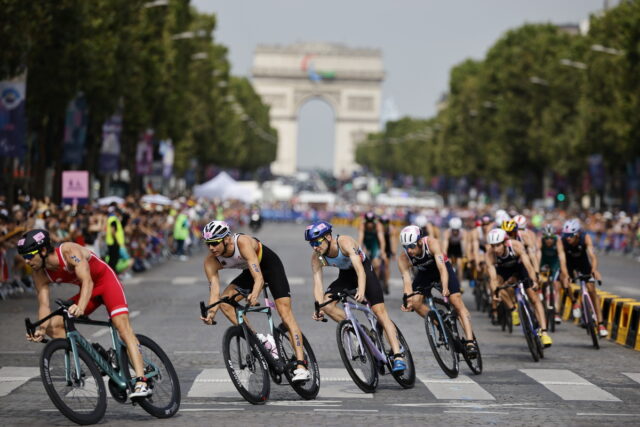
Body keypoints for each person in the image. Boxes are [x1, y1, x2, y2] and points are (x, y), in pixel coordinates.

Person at [19, 229, 151, 397]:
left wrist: (80, 305)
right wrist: (41, 330)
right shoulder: (39, 274)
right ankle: (95, 355)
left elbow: (87, 280)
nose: (26, 261)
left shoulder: (68, 251)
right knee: (53, 324)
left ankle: (142, 381)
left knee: (123, 329)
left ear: (43, 250)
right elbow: (44, 305)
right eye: (23, 256)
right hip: (88, 292)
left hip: (106, 283)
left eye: (29, 255)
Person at [199, 220, 311, 382]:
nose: (211, 248)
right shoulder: (210, 261)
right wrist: (211, 313)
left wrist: (254, 294)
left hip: (268, 267)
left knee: (285, 313)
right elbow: (214, 291)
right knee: (224, 302)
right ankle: (257, 340)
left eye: (215, 243)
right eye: (208, 244)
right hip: (249, 273)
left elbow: (258, 277)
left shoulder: (242, 243)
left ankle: (301, 366)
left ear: (226, 239)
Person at [306, 221, 406, 372]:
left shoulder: (344, 242)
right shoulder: (317, 257)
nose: (315, 247)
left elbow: (360, 271)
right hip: (346, 276)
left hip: (364, 271)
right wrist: (319, 306)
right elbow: (318, 284)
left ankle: (398, 356)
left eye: (317, 242)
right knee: (327, 305)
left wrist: (361, 290)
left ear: (327, 236)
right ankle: (358, 330)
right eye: (311, 243)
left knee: (380, 312)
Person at [398, 225, 477, 356]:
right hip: (424, 274)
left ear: (419, 241)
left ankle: (470, 341)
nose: (409, 250)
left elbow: (442, 269)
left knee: (455, 301)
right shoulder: (403, 258)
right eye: (405, 247)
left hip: (442, 270)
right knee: (416, 303)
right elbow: (407, 281)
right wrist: (407, 299)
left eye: (411, 246)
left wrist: (445, 287)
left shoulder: (431, 243)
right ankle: (440, 325)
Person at [485, 228, 553, 347]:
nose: (495, 249)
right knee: (496, 287)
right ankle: (513, 310)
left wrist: (534, 280)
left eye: (498, 245)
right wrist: (495, 293)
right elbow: (493, 277)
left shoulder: (516, 246)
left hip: (520, 268)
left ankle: (544, 332)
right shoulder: (490, 254)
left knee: (534, 298)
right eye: (493, 246)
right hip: (503, 270)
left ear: (505, 242)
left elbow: (528, 265)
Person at [561, 219, 608, 337]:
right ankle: (574, 302)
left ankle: (601, 324)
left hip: (583, 263)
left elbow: (593, 256)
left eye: (570, 236)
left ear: (577, 234)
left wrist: (594, 270)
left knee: (592, 290)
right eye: (566, 235)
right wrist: (566, 275)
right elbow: (562, 261)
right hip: (569, 263)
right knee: (564, 282)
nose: (568, 238)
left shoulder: (585, 238)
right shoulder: (562, 241)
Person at [537, 224, 569, 325]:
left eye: (551, 238)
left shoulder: (558, 241)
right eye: (546, 238)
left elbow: (562, 256)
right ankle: (541, 296)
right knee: (539, 280)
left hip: (555, 262)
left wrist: (564, 272)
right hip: (543, 261)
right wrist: (536, 271)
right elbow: (537, 255)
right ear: (543, 237)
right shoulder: (540, 240)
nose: (549, 240)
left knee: (556, 285)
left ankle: (556, 313)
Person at [357, 212, 387, 282]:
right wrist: (359, 251)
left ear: (374, 222)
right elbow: (360, 240)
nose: (369, 224)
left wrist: (382, 251)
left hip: (374, 244)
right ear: (365, 222)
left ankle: (375, 280)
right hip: (366, 243)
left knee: (376, 263)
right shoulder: (362, 225)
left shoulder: (378, 225)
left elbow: (382, 241)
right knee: (361, 260)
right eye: (368, 222)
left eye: (371, 222)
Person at [442, 217, 465, 288]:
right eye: (453, 230)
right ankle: (449, 280)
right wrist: (445, 256)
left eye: (456, 230)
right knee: (449, 263)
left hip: (458, 247)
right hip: (450, 246)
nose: (455, 232)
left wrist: (464, 255)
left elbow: (464, 245)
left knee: (460, 264)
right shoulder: (447, 232)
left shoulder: (463, 233)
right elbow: (445, 246)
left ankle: (460, 283)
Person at [379, 215, 397, 295]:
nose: (384, 226)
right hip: (378, 246)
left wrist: (393, 253)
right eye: (382, 224)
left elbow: (393, 242)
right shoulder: (377, 228)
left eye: (385, 224)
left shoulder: (391, 229)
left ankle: (386, 284)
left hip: (387, 248)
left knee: (386, 266)